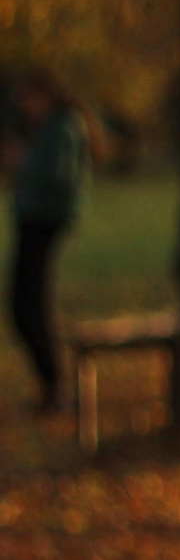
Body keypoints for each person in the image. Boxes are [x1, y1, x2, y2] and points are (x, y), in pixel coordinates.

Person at [10, 71, 88, 416]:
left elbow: (59, 177)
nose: (24, 106)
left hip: (43, 223)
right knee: (25, 303)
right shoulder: (52, 128)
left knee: (28, 304)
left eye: (28, 98)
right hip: (32, 220)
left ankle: (54, 385)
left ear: (45, 94)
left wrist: (23, 163)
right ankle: (50, 384)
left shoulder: (64, 127)